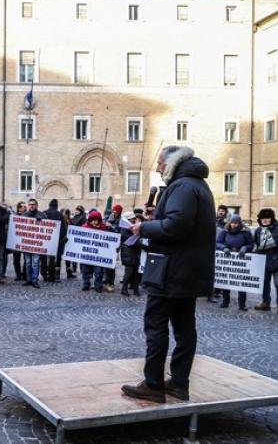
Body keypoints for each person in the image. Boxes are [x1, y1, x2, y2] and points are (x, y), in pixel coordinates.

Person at [122, 145, 215, 404]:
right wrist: (156, 218)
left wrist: (144, 227)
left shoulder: (182, 186)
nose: (158, 168)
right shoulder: (194, 185)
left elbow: (176, 227)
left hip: (172, 271)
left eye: (161, 163)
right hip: (187, 270)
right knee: (185, 327)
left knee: (156, 325)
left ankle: (153, 384)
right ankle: (179, 383)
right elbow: (179, 221)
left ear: (173, 162)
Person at [216, 215, 253, 311]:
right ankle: (225, 301)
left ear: (239, 223)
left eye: (236, 223)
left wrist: (245, 248)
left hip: (241, 260)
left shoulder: (246, 232)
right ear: (229, 223)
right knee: (227, 281)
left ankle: (242, 304)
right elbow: (218, 242)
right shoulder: (225, 232)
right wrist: (223, 248)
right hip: (228, 260)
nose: (234, 225)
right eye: (232, 223)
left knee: (241, 283)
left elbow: (251, 244)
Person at [253, 208, 278, 312]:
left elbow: (275, 243)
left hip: (276, 260)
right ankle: (265, 303)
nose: (264, 220)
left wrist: (261, 247)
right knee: (264, 284)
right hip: (263, 261)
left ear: (271, 218)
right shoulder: (258, 230)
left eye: (267, 218)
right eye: (262, 218)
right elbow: (255, 244)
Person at [80, 210, 107, 293]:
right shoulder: (84, 227)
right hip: (86, 254)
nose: (95, 222)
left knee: (98, 271)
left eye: (97, 220)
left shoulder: (104, 228)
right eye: (93, 220)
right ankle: (86, 284)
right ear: (90, 220)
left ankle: (98, 285)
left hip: (99, 255)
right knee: (85, 270)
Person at [22, 198, 47, 288]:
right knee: (28, 262)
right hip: (27, 243)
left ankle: (35, 280)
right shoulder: (24, 215)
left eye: (33, 204)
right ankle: (28, 279)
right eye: (30, 204)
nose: (31, 206)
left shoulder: (42, 215)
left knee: (35, 262)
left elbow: (48, 228)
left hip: (37, 244)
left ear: (36, 205)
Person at [120, 212, 144, 296]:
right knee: (129, 272)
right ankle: (124, 288)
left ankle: (135, 289)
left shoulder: (133, 227)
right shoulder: (125, 228)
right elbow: (127, 239)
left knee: (137, 272)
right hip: (128, 253)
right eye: (132, 218)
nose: (134, 220)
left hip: (136, 252)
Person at [41, 199, 65, 282]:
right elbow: (63, 228)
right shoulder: (59, 214)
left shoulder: (43, 213)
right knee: (52, 258)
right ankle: (51, 276)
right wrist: (59, 238)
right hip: (54, 239)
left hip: (44, 238)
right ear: (56, 205)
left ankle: (44, 274)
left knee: (43, 257)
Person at [102, 204, 124, 293]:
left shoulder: (121, 221)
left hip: (114, 246)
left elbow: (120, 233)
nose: (114, 214)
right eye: (113, 212)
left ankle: (110, 283)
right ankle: (103, 281)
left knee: (111, 266)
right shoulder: (107, 218)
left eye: (116, 212)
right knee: (103, 264)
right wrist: (105, 225)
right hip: (105, 244)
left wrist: (111, 227)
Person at [12, 202, 27, 281]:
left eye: (25, 206)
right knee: (16, 259)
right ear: (19, 208)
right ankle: (18, 275)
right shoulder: (14, 217)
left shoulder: (28, 216)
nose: (25, 208)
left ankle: (24, 274)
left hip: (26, 241)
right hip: (16, 241)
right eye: (24, 206)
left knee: (26, 259)